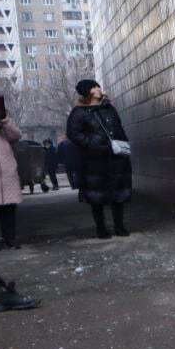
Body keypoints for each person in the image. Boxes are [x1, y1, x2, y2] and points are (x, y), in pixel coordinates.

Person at [66, 79, 132, 239]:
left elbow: (119, 127)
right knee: (97, 196)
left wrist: (122, 145)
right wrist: (91, 143)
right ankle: (101, 229)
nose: (98, 88)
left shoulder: (109, 107)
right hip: (94, 160)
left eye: (97, 86)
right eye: (94, 87)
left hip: (115, 157)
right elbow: (73, 133)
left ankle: (119, 227)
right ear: (88, 91)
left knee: (118, 193)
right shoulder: (79, 112)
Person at [0, 97, 22, 250]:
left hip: (8, 175)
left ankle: (10, 239)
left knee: (9, 210)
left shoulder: (3, 129)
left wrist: (5, 120)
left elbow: (16, 136)